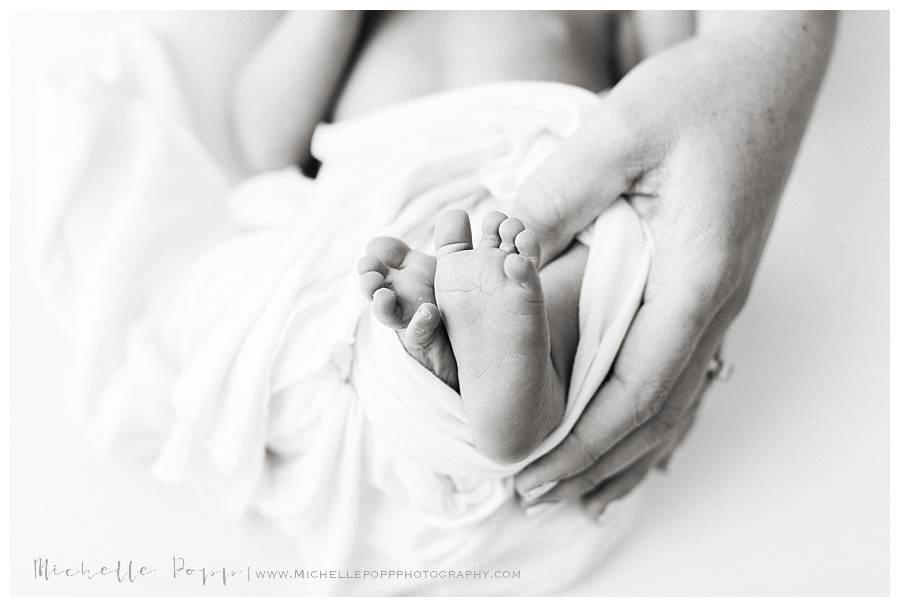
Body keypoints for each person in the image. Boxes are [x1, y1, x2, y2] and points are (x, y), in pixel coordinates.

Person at [234, 9, 835, 512]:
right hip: (394, 182)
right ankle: (476, 366)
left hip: (551, 163)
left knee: (606, 262)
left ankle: (522, 373)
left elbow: (671, 82)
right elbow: (264, 140)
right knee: (376, 309)